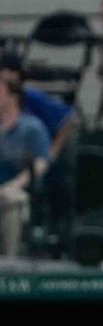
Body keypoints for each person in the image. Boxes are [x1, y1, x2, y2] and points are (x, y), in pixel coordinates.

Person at [0, 78, 50, 258]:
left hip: (21, 192)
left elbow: (40, 163)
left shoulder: (31, 128)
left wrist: (14, 185)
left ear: (13, 97)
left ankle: (10, 260)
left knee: (10, 199)